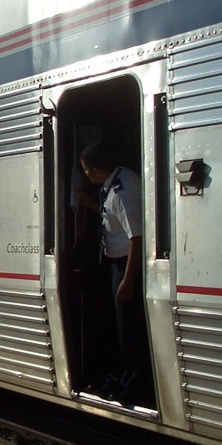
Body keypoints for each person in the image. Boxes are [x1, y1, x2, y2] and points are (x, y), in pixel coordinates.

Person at [79, 142, 148, 403]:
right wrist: (88, 204)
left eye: (86, 171)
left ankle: (132, 382)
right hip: (119, 265)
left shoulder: (121, 191)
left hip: (126, 265)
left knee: (128, 328)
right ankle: (127, 375)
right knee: (124, 326)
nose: (86, 176)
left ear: (96, 171)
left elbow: (137, 237)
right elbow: (115, 217)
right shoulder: (121, 179)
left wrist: (127, 281)